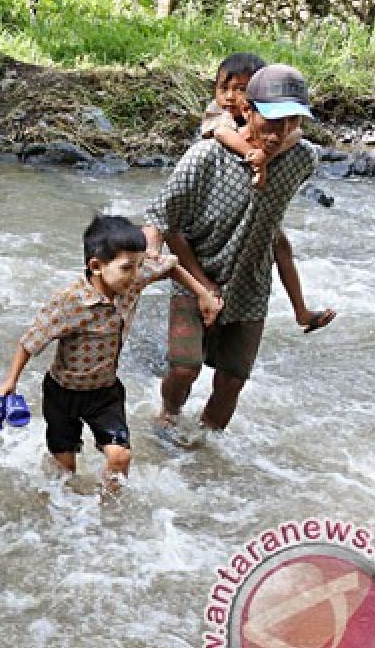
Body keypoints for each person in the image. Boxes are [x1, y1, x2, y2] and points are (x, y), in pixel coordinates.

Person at [143, 64, 337, 437]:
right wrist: (199, 284)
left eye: (291, 121)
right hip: (195, 274)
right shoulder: (205, 157)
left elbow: (277, 220)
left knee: (232, 381)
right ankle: (166, 415)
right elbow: (162, 218)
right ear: (247, 110)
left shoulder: (302, 159)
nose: (279, 132)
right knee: (184, 369)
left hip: (251, 283)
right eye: (272, 120)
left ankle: (203, 448)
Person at [0, 216, 222, 491]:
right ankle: (64, 518)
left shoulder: (132, 280)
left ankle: (108, 518)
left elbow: (170, 267)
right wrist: (10, 381)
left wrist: (203, 294)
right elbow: (30, 340)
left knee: (120, 457)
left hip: (105, 393)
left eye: (139, 266)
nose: (137, 274)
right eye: (128, 268)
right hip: (62, 395)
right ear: (95, 267)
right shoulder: (70, 302)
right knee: (65, 472)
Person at [201, 53, 302, 189]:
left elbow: (297, 133)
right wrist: (257, 159)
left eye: (241, 89)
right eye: (224, 88)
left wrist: (266, 156)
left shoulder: (265, 112)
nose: (229, 96)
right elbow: (221, 132)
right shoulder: (219, 110)